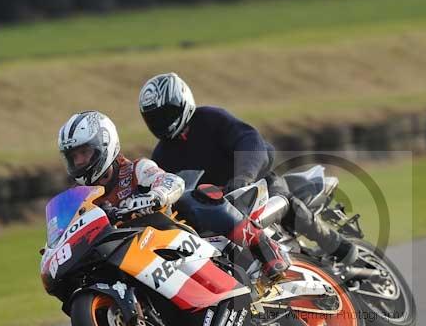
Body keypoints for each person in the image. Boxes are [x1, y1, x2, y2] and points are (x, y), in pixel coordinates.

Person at [138, 72, 357, 266]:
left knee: (284, 204)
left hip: (256, 187)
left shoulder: (211, 119)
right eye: (154, 118)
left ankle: (336, 244)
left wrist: (244, 177)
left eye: (166, 114)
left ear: (183, 101)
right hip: (218, 212)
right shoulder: (161, 156)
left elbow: (249, 141)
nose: (161, 123)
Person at [57, 110, 288, 281]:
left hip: (173, 235)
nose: (79, 161)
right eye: (73, 157)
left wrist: (156, 196)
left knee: (195, 198)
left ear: (104, 144)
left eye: (84, 152)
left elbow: (171, 181)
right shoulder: (84, 198)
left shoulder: (136, 169)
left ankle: (264, 247)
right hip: (133, 256)